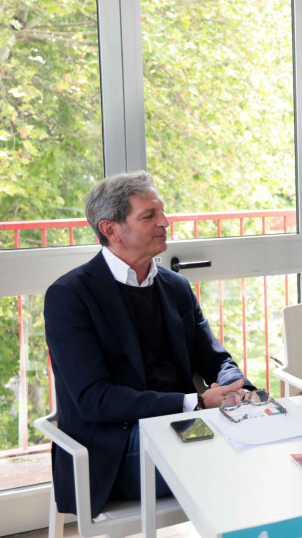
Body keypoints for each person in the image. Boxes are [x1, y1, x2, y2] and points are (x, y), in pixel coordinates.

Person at [43, 171, 252, 517]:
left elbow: (215, 358)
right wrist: (195, 402)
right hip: (114, 450)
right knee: (236, 461)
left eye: (162, 211)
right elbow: (95, 400)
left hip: (184, 428)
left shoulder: (175, 286)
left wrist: (235, 386)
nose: (165, 222)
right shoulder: (70, 296)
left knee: (262, 438)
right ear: (111, 230)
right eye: (149, 215)